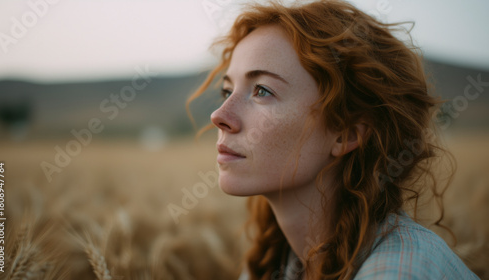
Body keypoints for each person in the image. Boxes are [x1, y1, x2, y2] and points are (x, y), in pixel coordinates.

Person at [187, 0, 480, 279]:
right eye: (227, 91)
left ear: (347, 133)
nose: (219, 115)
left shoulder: (400, 269)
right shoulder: (274, 260)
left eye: (262, 90)